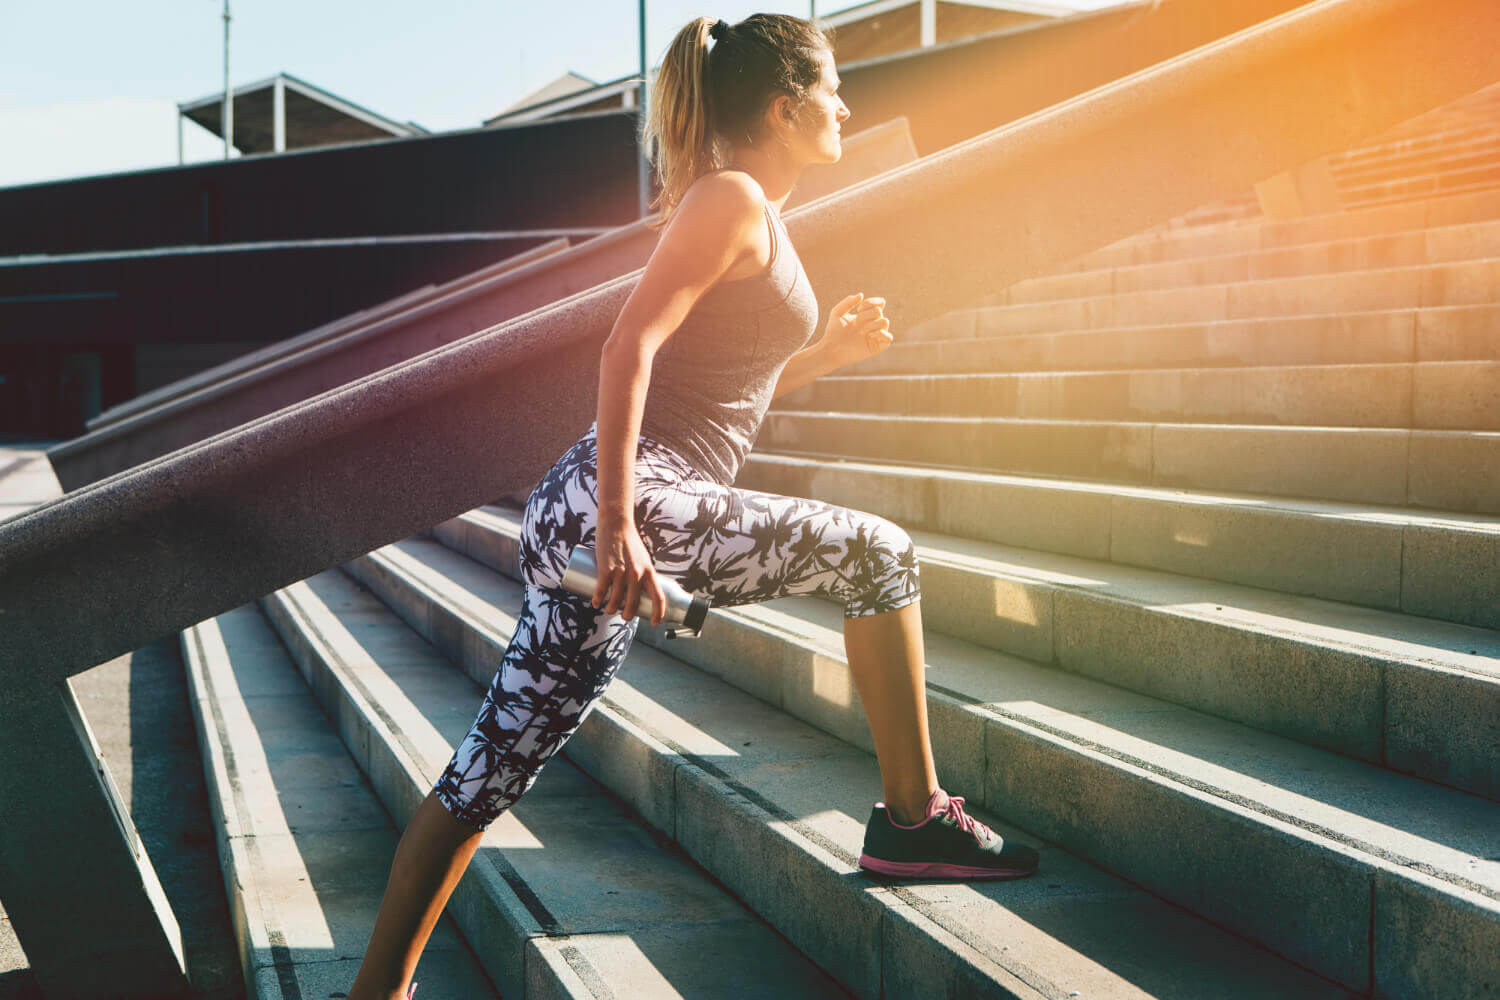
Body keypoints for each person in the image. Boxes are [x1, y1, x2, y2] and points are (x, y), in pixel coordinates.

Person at [348, 13, 1039, 999]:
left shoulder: (756, 210)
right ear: (787, 105)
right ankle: (913, 820)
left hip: (606, 501)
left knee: (486, 775)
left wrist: (823, 356)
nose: (846, 105)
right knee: (878, 554)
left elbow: (720, 391)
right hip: (624, 499)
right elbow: (628, 348)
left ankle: (377, 992)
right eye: (833, 89)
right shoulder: (729, 198)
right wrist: (626, 521)